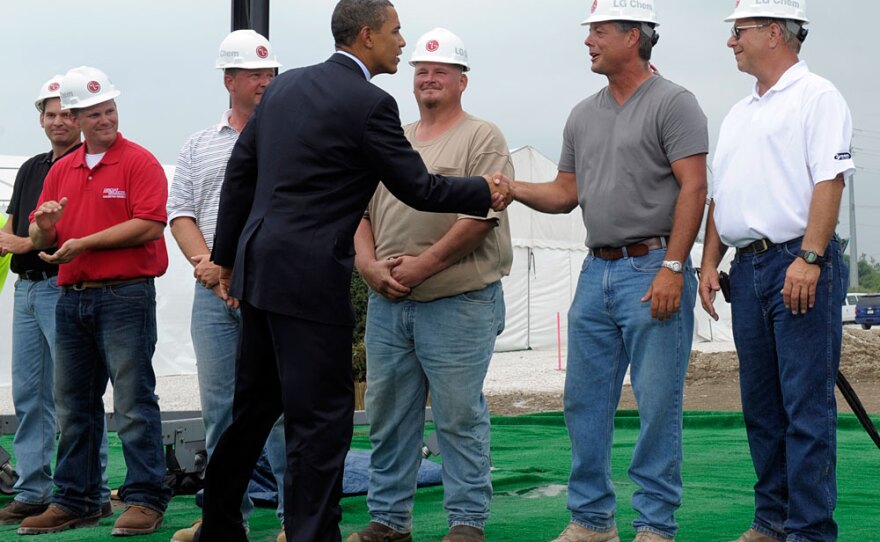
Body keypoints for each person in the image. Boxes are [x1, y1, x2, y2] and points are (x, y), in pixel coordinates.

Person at [193, 1, 512, 541]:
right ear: (366, 37)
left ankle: (219, 529)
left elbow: (240, 176)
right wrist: (485, 189)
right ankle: (312, 534)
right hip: (308, 280)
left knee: (252, 411)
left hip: (261, 269)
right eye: (395, 32)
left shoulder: (286, 87)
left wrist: (226, 257)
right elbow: (418, 187)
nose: (402, 43)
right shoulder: (370, 103)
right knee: (320, 419)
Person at [497, 1, 708, 540]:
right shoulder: (582, 114)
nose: (588, 41)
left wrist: (673, 266)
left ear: (633, 35)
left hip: (653, 269)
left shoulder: (675, 103)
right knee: (583, 401)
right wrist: (513, 189)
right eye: (588, 31)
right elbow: (566, 193)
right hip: (598, 272)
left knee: (658, 402)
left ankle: (655, 526)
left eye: (598, 31)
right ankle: (591, 521)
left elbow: (696, 188)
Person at [349, 28, 512, 542]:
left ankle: (466, 522)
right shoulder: (390, 136)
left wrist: (423, 266)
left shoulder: (482, 137)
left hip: (456, 300)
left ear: (463, 81)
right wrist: (367, 265)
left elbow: (482, 214)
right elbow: (357, 210)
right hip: (388, 301)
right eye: (421, 70)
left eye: (441, 70)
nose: (428, 77)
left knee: (458, 414)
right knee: (387, 415)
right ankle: (389, 521)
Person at [698, 2, 853, 541]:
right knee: (762, 406)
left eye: (737, 32)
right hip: (750, 267)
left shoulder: (818, 96)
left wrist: (810, 258)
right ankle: (771, 521)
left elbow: (828, 182)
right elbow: (722, 197)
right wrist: (709, 262)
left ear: (772, 32)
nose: (731, 42)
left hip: (796, 262)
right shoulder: (740, 112)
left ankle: (809, 530)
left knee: (804, 407)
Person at [19, 66, 171, 536]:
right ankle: (79, 500)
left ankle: (142, 497)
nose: (107, 119)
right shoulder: (60, 170)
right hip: (73, 296)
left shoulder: (139, 161)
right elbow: (40, 233)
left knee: (131, 400)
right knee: (73, 405)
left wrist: (82, 243)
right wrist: (45, 224)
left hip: (124, 294)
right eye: (96, 113)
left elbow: (150, 224)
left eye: (110, 110)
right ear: (78, 117)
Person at [167, 29, 288, 542]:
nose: (264, 82)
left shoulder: (291, 138)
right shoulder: (198, 144)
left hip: (272, 285)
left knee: (282, 407)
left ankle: (294, 517)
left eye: (270, 73)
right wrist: (208, 265)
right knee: (219, 409)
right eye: (254, 74)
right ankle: (224, 515)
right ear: (229, 80)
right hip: (212, 290)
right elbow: (181, 212)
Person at [0, 75, 113, 527]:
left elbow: (38, 237)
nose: (59, 121)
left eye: (67, 113)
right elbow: (14, 228)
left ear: (81, 117)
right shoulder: (31, 167)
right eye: (51, 114)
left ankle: (94, 489)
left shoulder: (86, 167)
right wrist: (20, 242)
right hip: (27, 289)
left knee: (75, 396)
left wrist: (24, 242)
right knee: (29, 396)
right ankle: (33, 488)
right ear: (42, 120)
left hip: (62, 287)